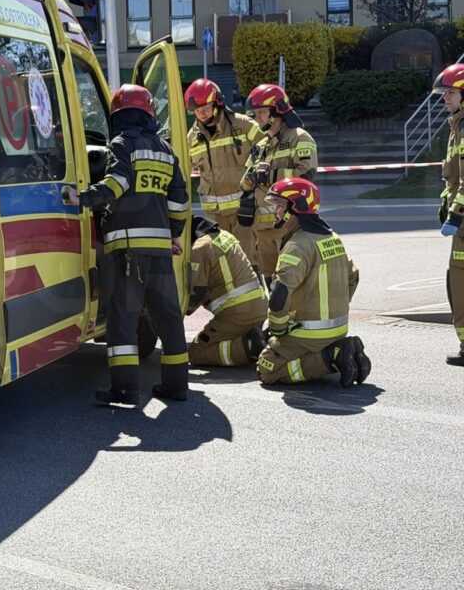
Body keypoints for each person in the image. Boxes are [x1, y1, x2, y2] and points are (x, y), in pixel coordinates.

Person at [64, 84, 190, 403]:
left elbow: (117, 184)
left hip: (128, 249)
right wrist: (173, 233)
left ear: (119, 115)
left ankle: (125, 389)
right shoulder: (165, 149)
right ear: (148, 113)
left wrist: (82, 198)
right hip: (160, 250)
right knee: (168, 318)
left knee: (123, 318)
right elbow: (180, 200)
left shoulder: (122, 144)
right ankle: (176, 386)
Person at [256, 177, 371, 386]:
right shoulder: (332, 237)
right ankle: (340, 351)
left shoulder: (297, 246)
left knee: (267, 368)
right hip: (339, 328)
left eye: (280, 206)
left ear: (296, 208)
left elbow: (280, 293)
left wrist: (278, 328)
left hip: (309, 333)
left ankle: (332, 357)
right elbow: (353, 276)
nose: (275, 212)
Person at [237, 83, 317, 285]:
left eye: (262, 112)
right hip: (262, 229)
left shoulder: (299, 138)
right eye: (255, 114)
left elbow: (306, 176)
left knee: (291, 280)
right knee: (270, 281)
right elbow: (245, 182)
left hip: (288, 226)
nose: (258, 118)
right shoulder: (261, 145)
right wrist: (249, 180)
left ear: (277, 111)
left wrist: (270, 176)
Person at [186, 78, 262, 268]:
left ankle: (255, 297)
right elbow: (182, 172)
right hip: (214, 216)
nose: (201, 114)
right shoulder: (191, 138)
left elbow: (267, 151)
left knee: (247, 262)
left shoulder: (243, 125)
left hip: (243, 211)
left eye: (205, 108)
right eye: (196, 110)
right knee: (220, 266)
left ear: (217, 103)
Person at [187, 215, 267, 367]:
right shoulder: (224, 235)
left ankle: (249, 347)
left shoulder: (199, 249)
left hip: (237, 313)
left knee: (196, 353)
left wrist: (177, 313)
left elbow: (196, 291)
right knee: (230, 338)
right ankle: (256, 339)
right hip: (259, 306)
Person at [433, 63, 464, 366]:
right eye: (444, 94)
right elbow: (453, 178)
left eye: (451, 93)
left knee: (459, 282)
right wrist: (446, 202)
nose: (445, 98)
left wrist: (455, 214)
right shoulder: (457, 125)